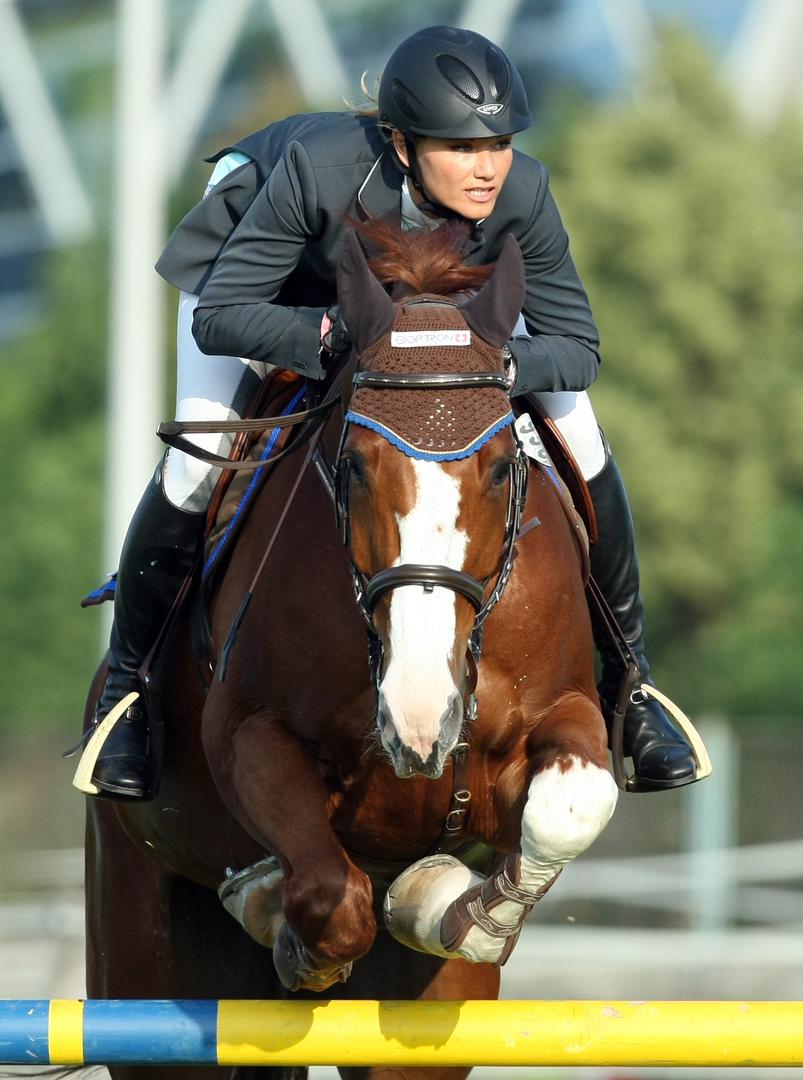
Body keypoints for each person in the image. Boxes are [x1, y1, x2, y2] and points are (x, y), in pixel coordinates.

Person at [83, 24, 698, 801]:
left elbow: (576, 347)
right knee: (194, 468)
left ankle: (633, 688)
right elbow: (222, 316)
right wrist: (328, 336)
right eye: (460, 148)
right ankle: (129, 696)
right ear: (403, 147)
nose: (486, 168)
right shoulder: (314, 172)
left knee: (581, 437)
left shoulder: (522, 193)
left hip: (434, 318)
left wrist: (497, 367)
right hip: (270, 284)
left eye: (498, 144)